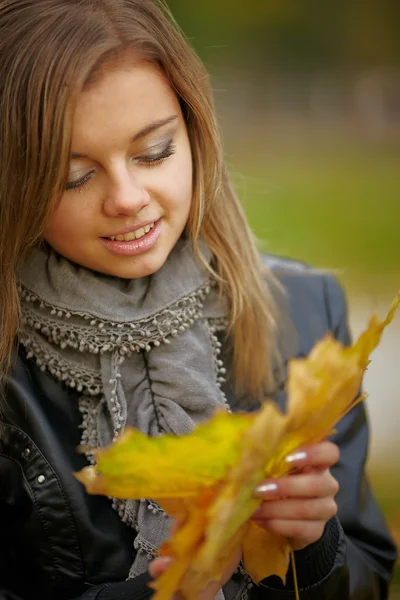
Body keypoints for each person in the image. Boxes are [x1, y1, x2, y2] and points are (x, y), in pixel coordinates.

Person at [0, 1, 396, 599]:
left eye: (153, 151)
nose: (128, 197)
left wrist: (316, 549)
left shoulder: (308, 311)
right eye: (74, 176)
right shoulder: (9, 363)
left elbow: (368, 579)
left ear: (194, 132)